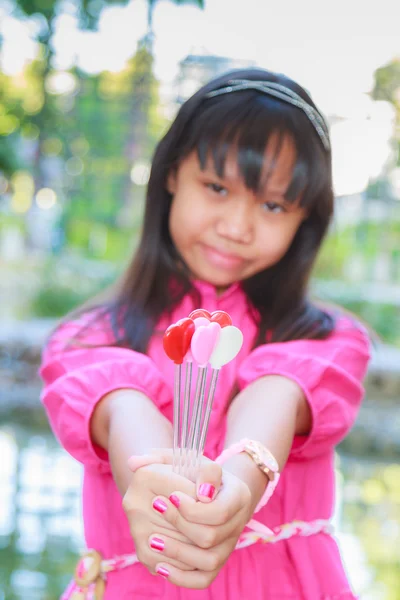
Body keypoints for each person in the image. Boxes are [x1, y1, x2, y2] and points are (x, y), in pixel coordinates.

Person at [40, 68, 371, 600]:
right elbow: (121, 406)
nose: (237, 226)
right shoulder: (89, 339)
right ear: (171, 173)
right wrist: (161, 490)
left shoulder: (329, 340)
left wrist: (241, 482)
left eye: (272, 205)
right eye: (217, 187)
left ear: (305, 218)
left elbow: (278, 394)